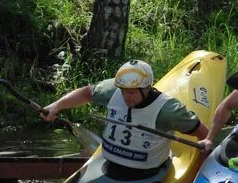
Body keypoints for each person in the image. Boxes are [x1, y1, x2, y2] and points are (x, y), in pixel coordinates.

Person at [41, 59, 211, 175]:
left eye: (131, 92)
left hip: (147, 173)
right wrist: (56, 106)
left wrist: (204, 155)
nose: (126, 97)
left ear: (147, 88)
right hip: (109, 166)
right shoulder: (115, 91)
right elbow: (87, 93)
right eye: (123, 91)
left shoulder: (168, 111)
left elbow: (203, 132)